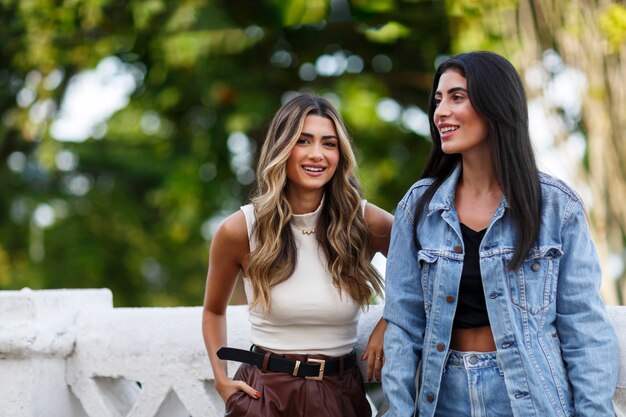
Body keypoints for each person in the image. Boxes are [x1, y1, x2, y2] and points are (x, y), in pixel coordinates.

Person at [382, 51, 619, 417]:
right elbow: (403, 329)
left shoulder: (556, 207)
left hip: (531, 400)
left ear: (496, 105)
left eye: (457, 97)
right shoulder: (418, 208)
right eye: (438, 100)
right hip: (444, 398)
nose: (440, 111)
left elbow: (584, 331)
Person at [202, 94, 392, 417]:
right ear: (282, 148)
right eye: (303, 141)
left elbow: (426, 271)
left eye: (329, 144)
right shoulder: (240, 230)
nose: (317, 154)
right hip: (264, 396)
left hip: (339, 395)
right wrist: (221, 378)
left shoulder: (365, 222)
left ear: (340, 155)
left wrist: (389, 321)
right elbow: (213, 311)